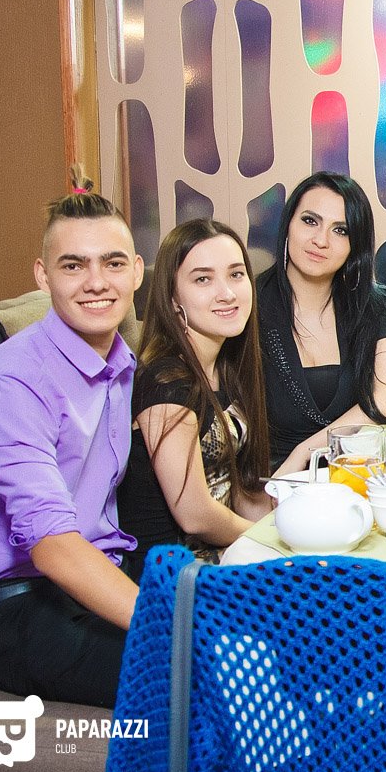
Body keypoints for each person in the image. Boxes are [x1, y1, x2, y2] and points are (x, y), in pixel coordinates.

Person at [0, 169, 144, 707]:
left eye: (113, 263)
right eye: (73, 265)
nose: (96, 282)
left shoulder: (121, 364)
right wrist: (169, 623)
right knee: (195, 672)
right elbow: (53, 547)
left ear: (136, 272)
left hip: (94, 578)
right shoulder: (13, 381)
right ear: (43, 276)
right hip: (14, 610)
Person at [117, 219, 271, 576]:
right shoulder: (167, 382)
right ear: (173, 299)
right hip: (172, 577)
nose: (227, 293)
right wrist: (269, 541)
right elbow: (195, 515)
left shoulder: (225, 368)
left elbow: (236, 490)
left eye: (236, 274)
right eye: (203, 279)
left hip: (223, 557)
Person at [257, 172, 386, 474]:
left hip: (352, 476)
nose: (321, 240)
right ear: (288, 224)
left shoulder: (372, 305)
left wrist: (305, 452)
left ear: (355, 246)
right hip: (267, 481)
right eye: (310, 221)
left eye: (340, 230)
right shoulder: (249, 303)